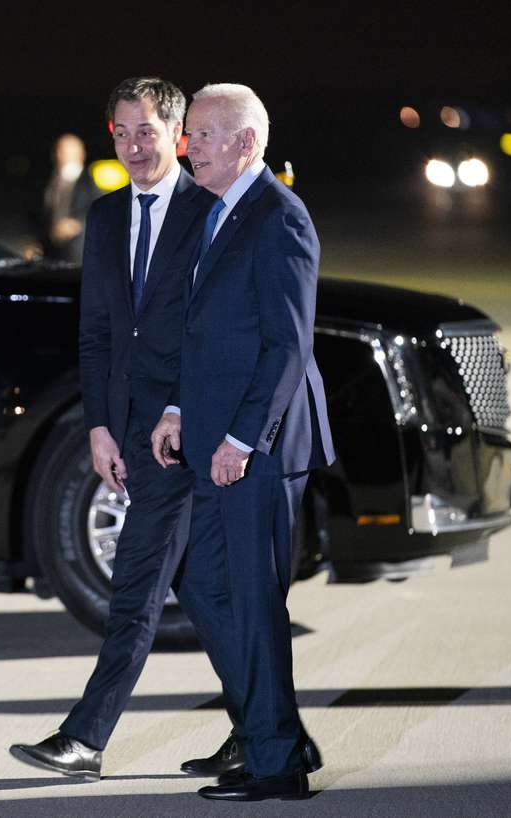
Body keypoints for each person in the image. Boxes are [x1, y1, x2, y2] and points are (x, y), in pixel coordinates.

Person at [8, 77, 220, 780]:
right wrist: (99, 426)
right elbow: (97, 334)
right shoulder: (103, 218)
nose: (133, 146)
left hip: (185, 430)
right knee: (196, 589)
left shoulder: (211, 212)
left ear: (178, 137)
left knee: (134, 581)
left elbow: (212, 333)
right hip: (128, 427)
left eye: (147, 133)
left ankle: (85, 737)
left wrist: (181, 409)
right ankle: (266, 728)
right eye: (122, 133)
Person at [150, 83, 336, 802]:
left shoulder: (278, 218)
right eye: (187, 132)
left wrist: (240, 439)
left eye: (198, 132)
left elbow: (287, 347)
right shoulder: (213, 210)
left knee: (255, 602)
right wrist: (174, 409)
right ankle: (270, 728)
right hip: (210, 435)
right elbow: (199, 330)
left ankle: (276, 765)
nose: (185, 144)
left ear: (245, 143)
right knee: (198, 581)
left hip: (256, 444)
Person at [40, 133, 100, 263]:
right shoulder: (51, 180)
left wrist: (76, 223)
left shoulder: (91, 181)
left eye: (67, 151)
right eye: (59, 150)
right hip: (51, 252)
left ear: (81, 154)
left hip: (78, 252)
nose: (61, 154)